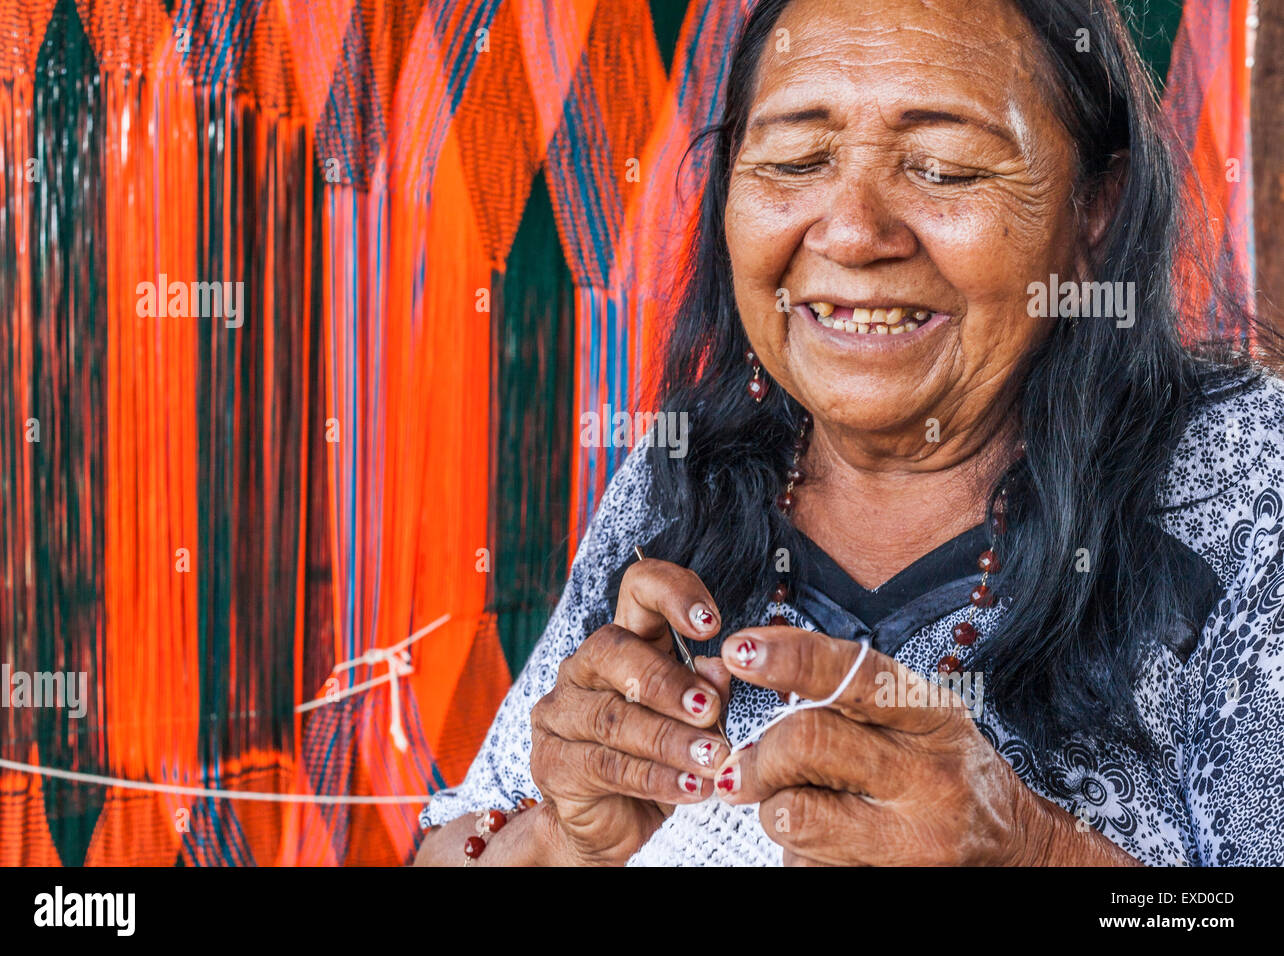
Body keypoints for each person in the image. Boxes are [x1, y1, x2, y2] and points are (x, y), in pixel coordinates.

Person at [414, 0, 1283, 866]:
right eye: (795, 161)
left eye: (944, 168)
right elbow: (455, 846)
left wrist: (1031, 853)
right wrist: (563, 842)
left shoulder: (1246, 487)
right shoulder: (689, 472)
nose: (854, 233)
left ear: (1097, 206)